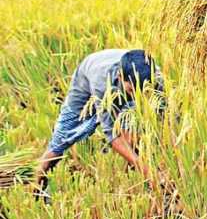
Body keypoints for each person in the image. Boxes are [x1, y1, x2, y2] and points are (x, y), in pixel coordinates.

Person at [36, 49, 164, 188]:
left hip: (124, 83)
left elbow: (166, 117)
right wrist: (148, 172)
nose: (136, 96)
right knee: (61, 139)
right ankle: (36, 186)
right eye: (132, 91)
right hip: (87, 79)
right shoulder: (102, 83)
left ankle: (132, 180)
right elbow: (113, 136)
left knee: (132, 135)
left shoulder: (154, 76)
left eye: (141, 90)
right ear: (120, 77)